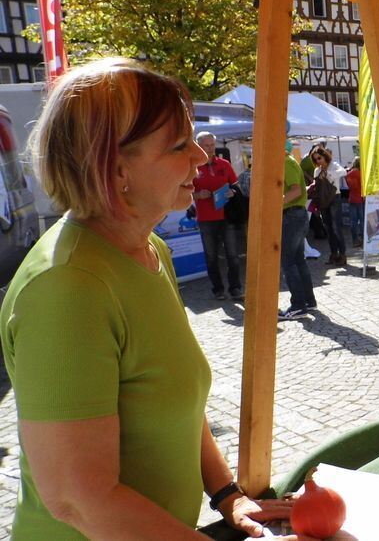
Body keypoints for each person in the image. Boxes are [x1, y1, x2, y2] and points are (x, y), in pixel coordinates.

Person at [0, 58, 307, 540]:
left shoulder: (148, 249)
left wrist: (227, 493)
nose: (201, 159)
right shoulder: (66, 287)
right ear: (114, 166)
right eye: (179, 146)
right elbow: (79, 500)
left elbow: (174, 400)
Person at [193, 131, 243, 300]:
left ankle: (235, 288)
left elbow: (236, 187)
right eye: (206, 146)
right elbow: (182, 193)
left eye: (212, 145)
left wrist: (231, 192)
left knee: (233, 255)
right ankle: (218, 289)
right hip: (206, 219)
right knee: (211, 257)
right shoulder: (192, 168)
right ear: (199, 146)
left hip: (225, 216)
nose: (210, 149)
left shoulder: (224, 164)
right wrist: (198, 195)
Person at [279, 143, 317, 320]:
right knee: (298, 260)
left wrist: (277, 203)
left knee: (288, 261)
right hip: (296, 215)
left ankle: (298, 305)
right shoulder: (289, 161)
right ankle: (308, 302)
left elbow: (296, 190)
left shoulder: (285, 162)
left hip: (292, 215)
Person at [310, 147, 348, 266]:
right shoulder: (317, 170)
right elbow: (316, 186)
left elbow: (344, 172)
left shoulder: (333, 165)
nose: (318, 161)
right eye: (315, 160)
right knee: (328, 228)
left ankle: (342, 254)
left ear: (324, 156)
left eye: (319, 158)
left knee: (336, 227)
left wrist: (328, 173)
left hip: (335, 198)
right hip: (323, 200)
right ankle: (333, 253)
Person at [346, 157, 365, 247]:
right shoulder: (361, 174)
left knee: (353, 221)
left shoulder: (348, 174)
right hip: (361, 199)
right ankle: (364, 240)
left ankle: (355, 240)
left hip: (352, 198)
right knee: (362, 220)